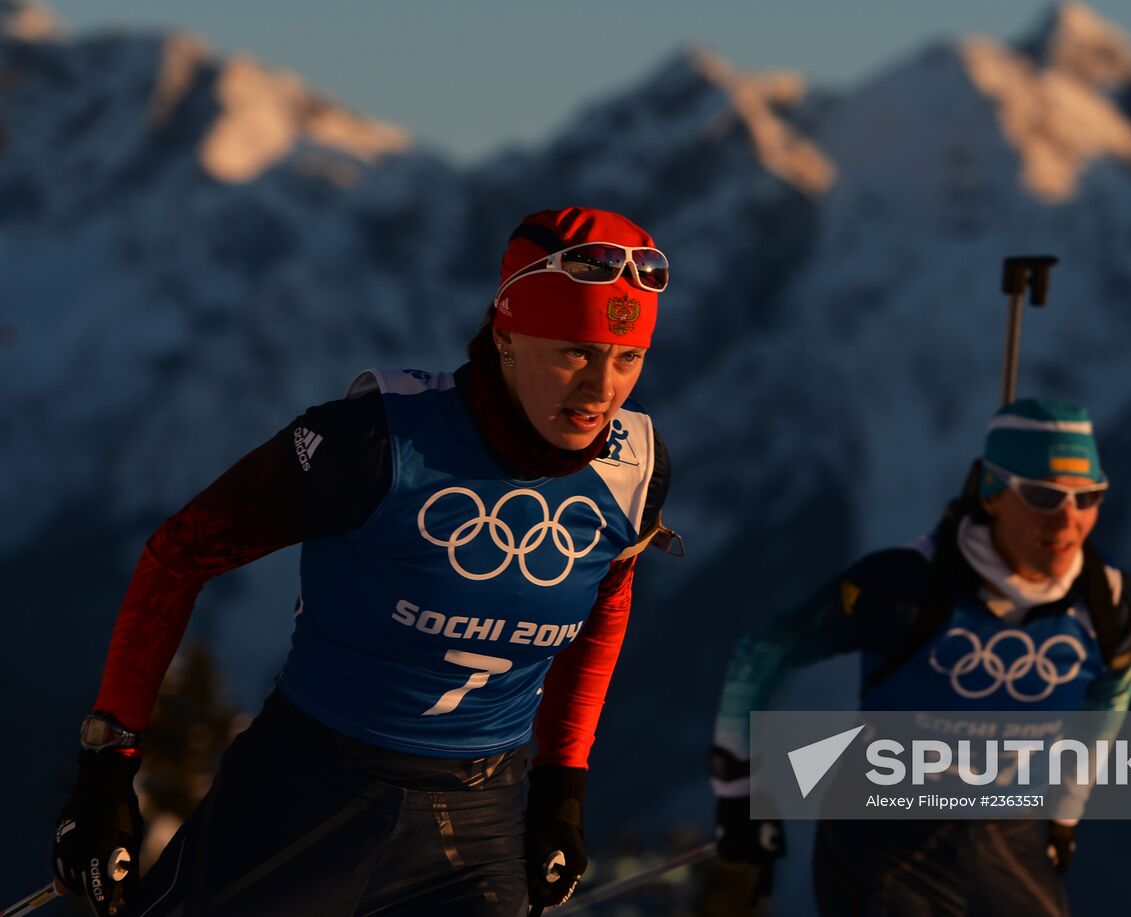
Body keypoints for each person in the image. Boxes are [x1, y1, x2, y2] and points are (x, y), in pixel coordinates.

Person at [51, 206, 676, 916]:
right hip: (304, 797)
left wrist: (562, 791)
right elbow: (179, 554)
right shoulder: (375, 442)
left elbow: (605, 609)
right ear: (506, 334)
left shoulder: (634, 472)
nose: (602, 391)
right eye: (575, 351)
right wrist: (107, 766)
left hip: (474, 821)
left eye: (628, 359)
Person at [708, 398, 1131, 916]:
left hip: (1007, 837)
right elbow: (764, 651)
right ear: (992, 493)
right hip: (879, 840)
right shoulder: (904, 586)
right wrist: (737, 790)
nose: (1067, 521)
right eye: (1042, 495)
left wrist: (1064, 813)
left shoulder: (1109, 600)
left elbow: (1113, 690)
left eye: (1088, 496)